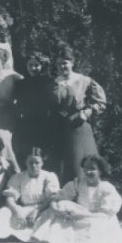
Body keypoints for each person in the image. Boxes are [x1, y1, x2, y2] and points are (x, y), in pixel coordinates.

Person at [30, 154, 122, 243]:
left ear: (100, 171)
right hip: (80, 213)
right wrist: (55, 209)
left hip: (98, 217)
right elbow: (58, 197)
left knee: (99, 225)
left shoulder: (107, 188)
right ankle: (44, 236)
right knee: (63, 204)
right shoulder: (80, 183)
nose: (88, 172)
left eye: (92, 169)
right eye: (85, 168)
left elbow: (105, 214)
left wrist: (81, 215)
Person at [50, 44, 107, 182]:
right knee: (62, 169)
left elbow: (101, 102)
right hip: (60, 129)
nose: (62, 66)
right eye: (58, 64)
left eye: (65, 63)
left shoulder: (84, 81)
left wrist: (87, 112)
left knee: (81, 166)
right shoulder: (53, 83)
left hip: (79, 126)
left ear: (72, 63)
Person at [0, 147, 61, 242]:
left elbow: (52, 197)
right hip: (23, 209)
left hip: (42, 209)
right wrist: (17, 211)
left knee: (52, 214)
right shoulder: (18, 177)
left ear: (42, 163)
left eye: (37, 163)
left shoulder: (49, 176)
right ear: (25, 162)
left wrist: (37, 210)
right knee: (3, 211)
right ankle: (5, 236)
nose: (33, 166)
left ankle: (36, 237)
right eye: (30, 163)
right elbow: (10, 197)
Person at [11, 51, 57, 172]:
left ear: (42, 66)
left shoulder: (49, 82)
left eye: (36, 65)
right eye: (30, 65)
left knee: (43, 152)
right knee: (26, 151)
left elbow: (52, 103)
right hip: (26, 122)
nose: (33, 68)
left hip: (44, 122)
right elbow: (17, 103)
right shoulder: (21, 84)